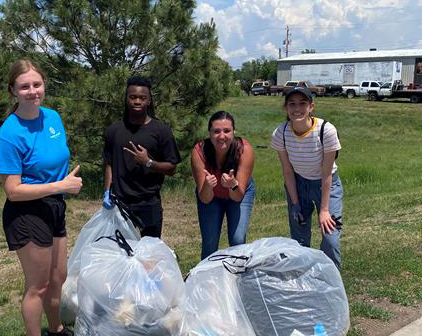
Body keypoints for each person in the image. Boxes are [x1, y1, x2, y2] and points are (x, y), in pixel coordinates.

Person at [0, 59, 83, 336]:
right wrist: (60, 186)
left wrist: (62, 182)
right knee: (38, 285)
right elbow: (12, 190)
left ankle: (56, 330)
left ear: (44, 86)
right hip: (26, 212)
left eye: (37, 84)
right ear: (13, 91)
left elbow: (54, 159)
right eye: (24, 86)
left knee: (59, 276)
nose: (32, 91)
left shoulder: (52, 118)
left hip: (54, 207)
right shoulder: (10, 133)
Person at [270, 85, 342, 269]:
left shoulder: (326, 130)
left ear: (311, 106)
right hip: (298, 183)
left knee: (330, 238)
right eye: (292, 104)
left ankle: (331, 282)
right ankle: (305, 279)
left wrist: (324, 210)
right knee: (300, 239)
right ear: (285, 108)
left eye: (302, 103)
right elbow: (287, 171)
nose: (297, 109)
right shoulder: (281, 134)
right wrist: (295, 204)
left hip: (325, 184)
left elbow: (326, 173)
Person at [103, 75, 181, 237]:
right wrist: (107, 191)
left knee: (149, 254)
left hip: (149, 203)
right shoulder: (114, 131)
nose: (137, 101)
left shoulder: (161, 130)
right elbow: (109, 163)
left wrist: (148, 162)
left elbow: (172, 168)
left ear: (149, 101)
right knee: (120, 252)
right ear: (126, 99)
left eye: (142, 98)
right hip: (120, 202)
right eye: (133, 97)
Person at [191, 111, 256, 259]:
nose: (222, 136)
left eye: (227, 131)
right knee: (210, 242)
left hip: (239, 193)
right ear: (209, 133)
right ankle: (208, 278)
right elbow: (205, 199)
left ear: (234, 132)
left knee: (238, 240)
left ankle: (238, 276)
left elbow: (238, 196)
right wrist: (207, 186)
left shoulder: (244, 150)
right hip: (211, 196)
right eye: (216, 131)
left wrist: (233, 185)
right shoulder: (199, 151)